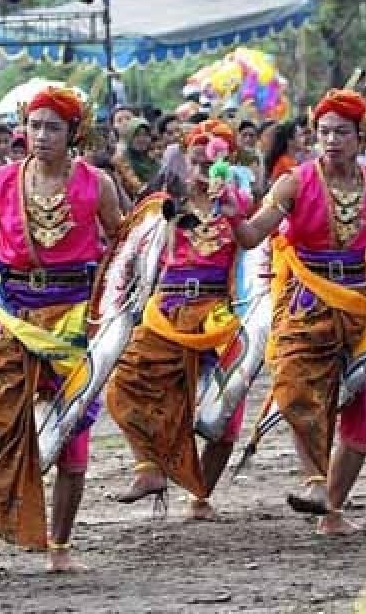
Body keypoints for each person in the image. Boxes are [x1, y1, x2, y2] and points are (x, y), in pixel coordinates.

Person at [0, 85, 122, 572]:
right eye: (34, 126)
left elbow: (122, 243)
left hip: (74, 315)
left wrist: (122, 306)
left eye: (52, 127)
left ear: (73, 133)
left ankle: (59, 546)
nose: (40, 136)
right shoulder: (2, 180)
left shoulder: (96, 184)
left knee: (73, 430)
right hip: (12, 310)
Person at [232, 89, 366, 535]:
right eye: (323, 132)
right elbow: (251, 237)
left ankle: (333, 509)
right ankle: (312, 481)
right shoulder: (294, 182)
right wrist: (232, 214)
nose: (330, 140)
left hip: (361, 305)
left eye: (340, 133)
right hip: (304, 304)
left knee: (362, 410)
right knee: (294, 388)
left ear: (360, 136)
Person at [107, 119, 255, 521]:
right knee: (122, 384)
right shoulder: (167, 203)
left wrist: (234, 213)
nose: (204, 173)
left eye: (213, 165)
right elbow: (135, 246)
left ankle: (200, 495)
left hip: (218, 316)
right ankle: (148, 469)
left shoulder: (239, 204)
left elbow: (254, 246)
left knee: (224, 417)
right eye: (196, 163)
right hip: (167, 311)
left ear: (229, 164)